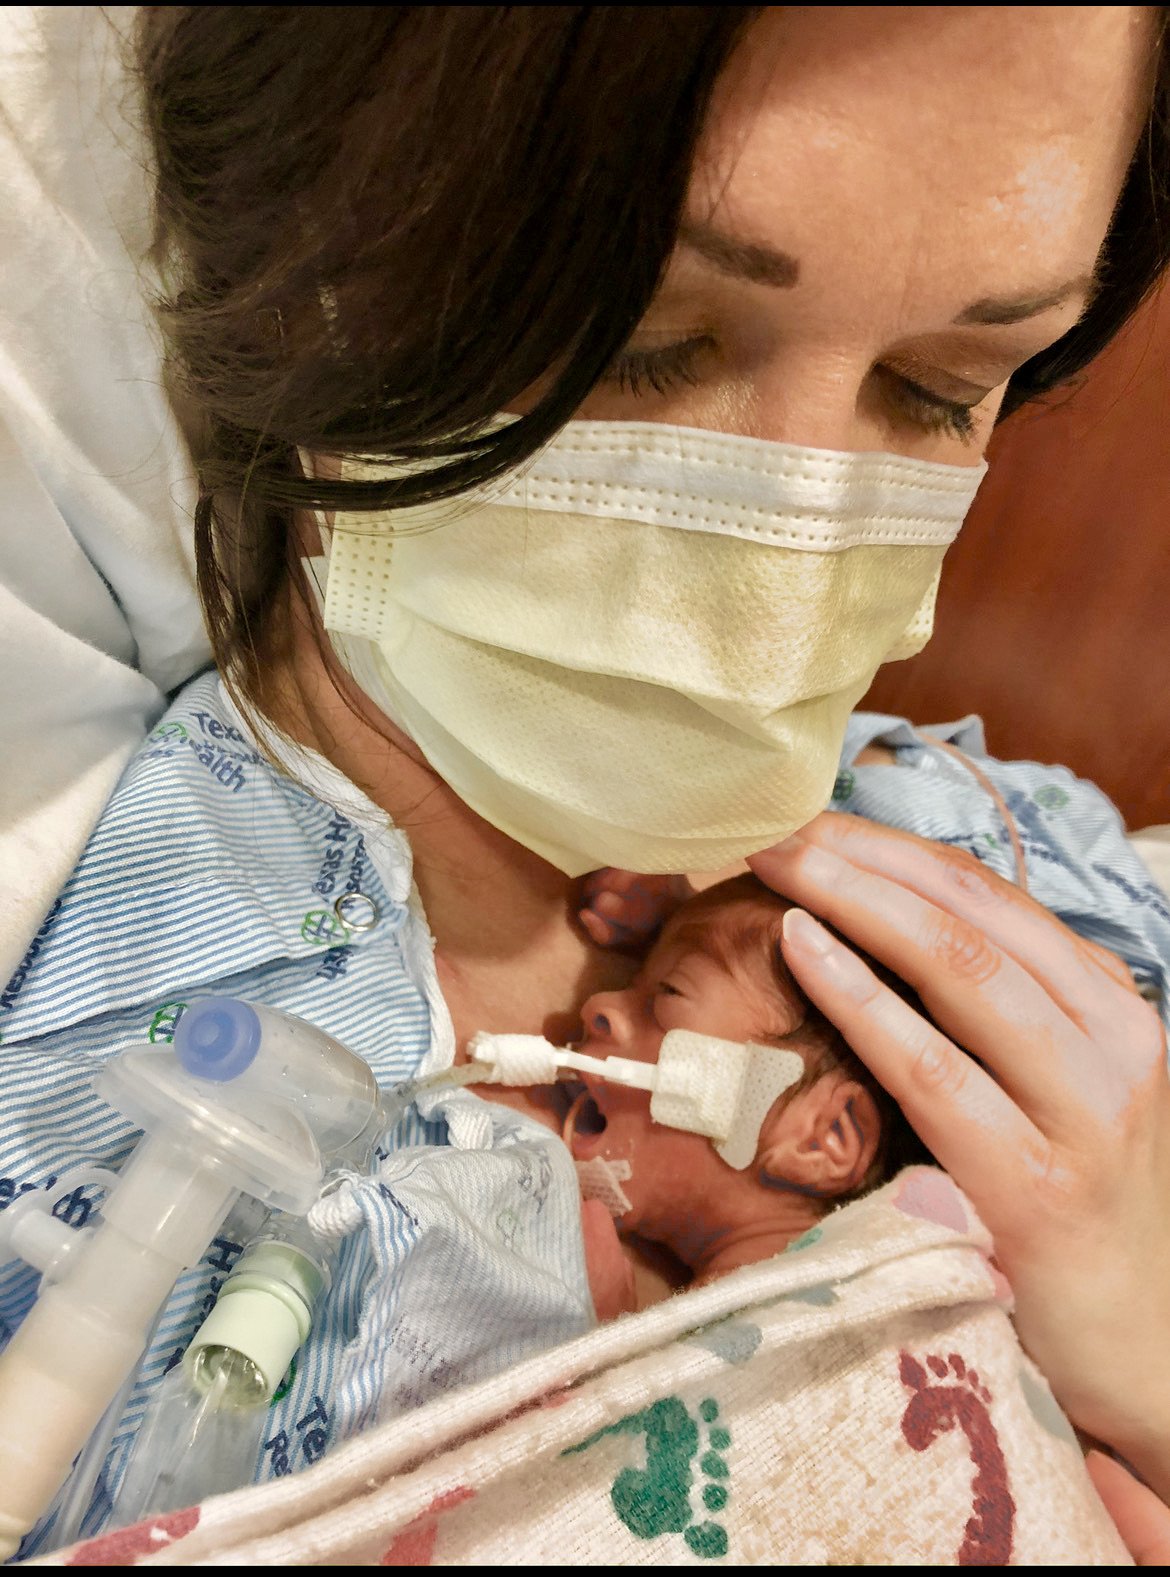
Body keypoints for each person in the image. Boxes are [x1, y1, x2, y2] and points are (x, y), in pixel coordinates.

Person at [3, 4, 1170, 1563]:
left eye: (945, 383)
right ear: (309, 245)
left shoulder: (999, 870)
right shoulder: (128, 1014)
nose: (795, 543)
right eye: (640, 338)